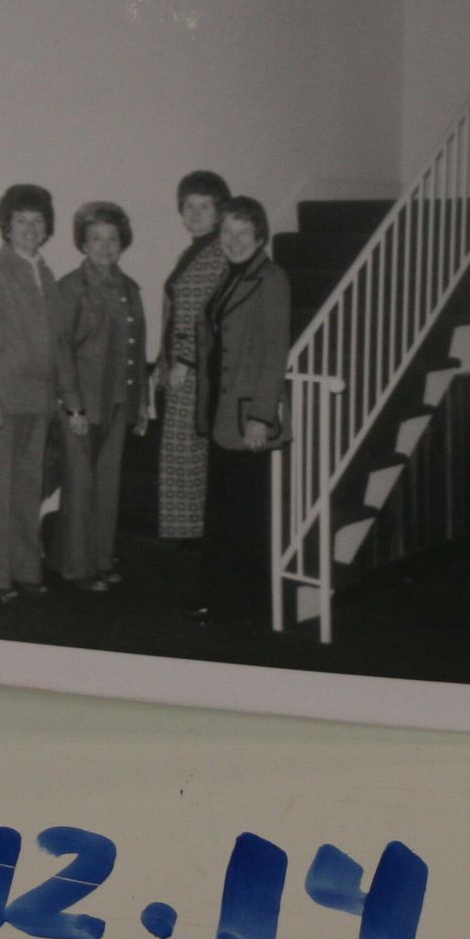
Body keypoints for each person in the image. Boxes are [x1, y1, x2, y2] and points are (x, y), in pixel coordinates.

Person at [188, 195, 291, 625]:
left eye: (242, 232)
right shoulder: (230, 275)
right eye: (227, 232)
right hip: (220, 410)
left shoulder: (271, 278)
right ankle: (219, 599)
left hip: (247, 416)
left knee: (244, 516)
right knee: (223, 512)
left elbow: (274, 352)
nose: (233, 240)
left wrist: (261, 417)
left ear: (260, 235)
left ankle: (244, 607)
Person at [0, 183, 60, 602]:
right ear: (6, 225)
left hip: (38, 400)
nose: (30, 228)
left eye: (38, 221)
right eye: (21, 220)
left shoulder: (47, 275)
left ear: (47, 227)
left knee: (26, 490)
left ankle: (24, 569)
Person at [51, 201, 149, 592]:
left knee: (107, 487)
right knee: (80, 486)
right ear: (83, 243)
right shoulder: (71, 287)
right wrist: (72, 405)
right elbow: (60, 350)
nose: (105, 246)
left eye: (112, 239)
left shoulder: (130, 288)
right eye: (96, 238)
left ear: (122, 242)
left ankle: (101, 559)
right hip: (82, 405)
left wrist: (141, 401)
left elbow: (137, 348)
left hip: (119, 401)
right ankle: (77, 568)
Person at [155, 170, 232, 545]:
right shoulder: (194, 251)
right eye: (189, 206)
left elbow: (206, 315)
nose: (196, 213)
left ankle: (189, 537)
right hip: (179, 368)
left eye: (205, 206)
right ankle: (188, 536)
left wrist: (183, 362)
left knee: (185, 453)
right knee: (181, 452)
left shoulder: (218, 253)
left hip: (194, 371)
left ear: (219, 211)